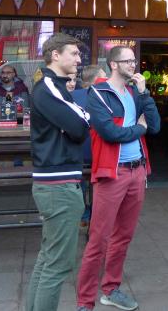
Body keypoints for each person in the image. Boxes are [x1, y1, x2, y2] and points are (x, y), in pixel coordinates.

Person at [77, 46, 160, 311]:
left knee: (123, 236)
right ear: (113, 64)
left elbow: (155, 126)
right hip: (112, 173)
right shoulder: (98, 93)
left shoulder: (135, 93)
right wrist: (139, 128)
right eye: (127, 61)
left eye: (134, 60)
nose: (133, 65)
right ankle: (84, 302)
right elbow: (110, 133)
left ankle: (111, 289)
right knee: (98, 239)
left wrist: (145, 94)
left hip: (137, 171)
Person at [26, 33, 91, 311]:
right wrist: (83, 117)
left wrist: (80, 117)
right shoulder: (48, 87)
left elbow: (77, 122)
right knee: (58, 265)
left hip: (57, 183)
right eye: (74, 53)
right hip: (58, 185)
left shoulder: (56, 87)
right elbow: (79, 126)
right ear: (55, 55)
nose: (79, 59)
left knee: (48, 258)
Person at [71, 65, 106, 226]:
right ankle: (97, 215)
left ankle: (84, 214)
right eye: (104, 77)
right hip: (97, 155)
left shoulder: (71, 96)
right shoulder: (103, 97)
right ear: (96, 80)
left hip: (76, 155)